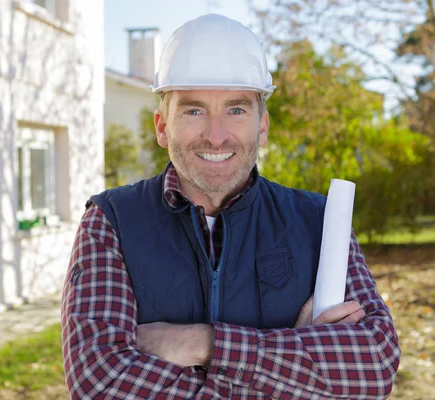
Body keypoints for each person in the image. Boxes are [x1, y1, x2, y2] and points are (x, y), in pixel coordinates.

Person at [61, 13, 400, 399]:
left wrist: (204, 343)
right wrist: (297, 358)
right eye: (194, 110)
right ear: (161, 127)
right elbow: (99, 385)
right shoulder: (111, 222)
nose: (217, 135)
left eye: (236, 110)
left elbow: (372, 369)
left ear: (263, 126)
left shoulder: (320, 222)